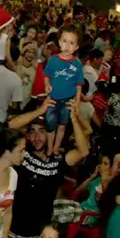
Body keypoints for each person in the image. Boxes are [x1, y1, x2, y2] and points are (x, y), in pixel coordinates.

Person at [4, 98, 91, 238]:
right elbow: (10, 125)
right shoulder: (22, 154)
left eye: (42, 131)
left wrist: (73, 119)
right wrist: (39, 111)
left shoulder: (58, 160)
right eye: (32, 131)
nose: (36, 137)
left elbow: (83, 151)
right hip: (8, 234)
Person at [42, 28, 82, 156]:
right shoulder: (53, 60)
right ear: (59, 42)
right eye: (64, 41)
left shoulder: (77, 64)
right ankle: (49, 147)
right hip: (52, 99)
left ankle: (56, 147)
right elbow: (46, 75)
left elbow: (79, 86)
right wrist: (47, 85)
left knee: (62, 124)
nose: (67, 46)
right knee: (50, 124)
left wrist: (77, 104)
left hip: (68, 100)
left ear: (76, 47)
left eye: (71, 43)